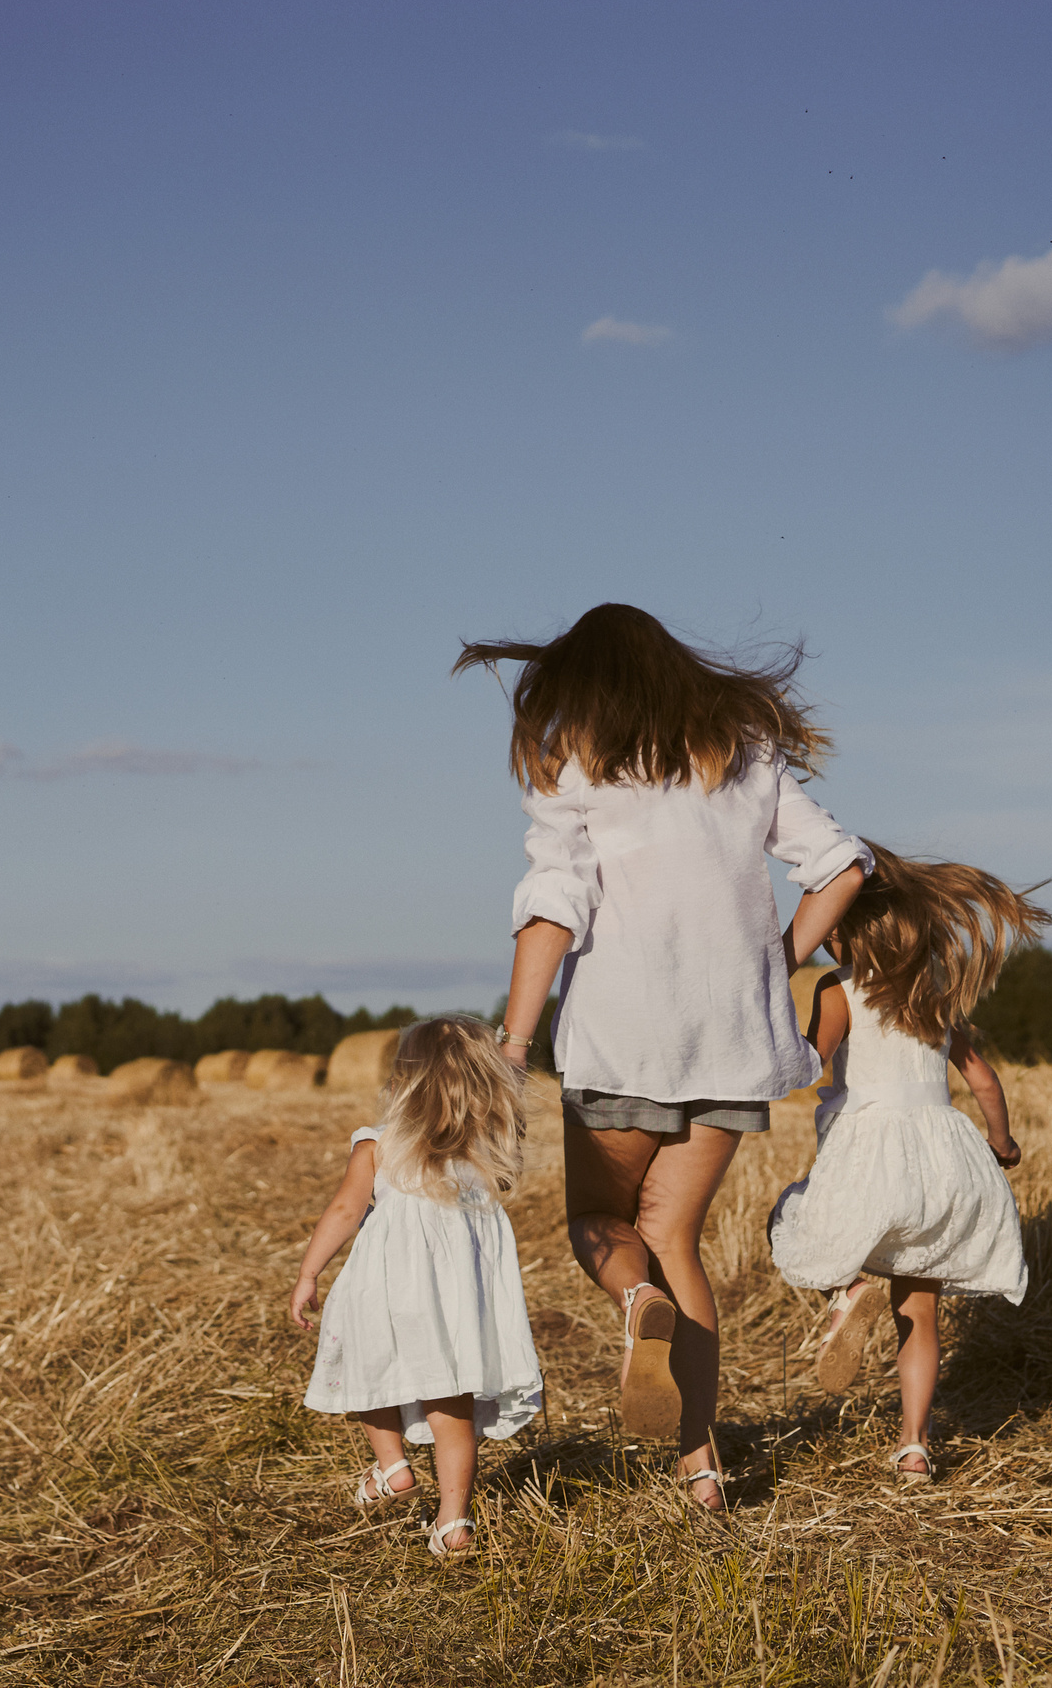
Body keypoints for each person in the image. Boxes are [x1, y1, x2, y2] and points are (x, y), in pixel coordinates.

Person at [459, 604, 869, 1512]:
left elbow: (553, 906)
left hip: (623, 1041)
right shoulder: (746, 750)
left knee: (600, 1222)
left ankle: (635, 1303)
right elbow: (842, 866)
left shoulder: (577, 766)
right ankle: (702, 1465)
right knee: (677, 1237)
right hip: (733, 1046)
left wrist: (513, 1044)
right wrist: (771, 967)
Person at [765, 845, 1050, 1481]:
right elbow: (984, 1082)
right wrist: (1001, 1144)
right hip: (946, 1160)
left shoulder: (837, 990)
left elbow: (811, 1060)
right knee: (920, 1311)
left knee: (796, 1220)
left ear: (848, 934)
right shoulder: (935, 993)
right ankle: (915, 1447)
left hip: (871, 1146)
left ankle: (850, 1286)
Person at [292, 1014, 543, 1560]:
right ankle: (454, 1523)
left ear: (401, 1082)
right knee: (451, 1398)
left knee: (367, 1364)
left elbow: (343, 1210)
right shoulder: (487, 1152)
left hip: (384, 1286)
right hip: (457, 1304)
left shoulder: (377, 1144)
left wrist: (310, 1273)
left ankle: (393, 1465)